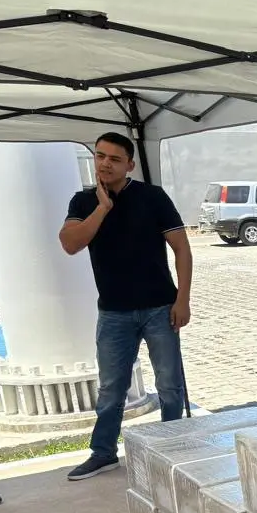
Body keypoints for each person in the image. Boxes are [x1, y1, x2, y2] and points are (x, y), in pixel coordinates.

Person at [59, 132, 193, 482]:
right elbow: (71, 243)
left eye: (114, 159)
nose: (104, 163)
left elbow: (182, 248)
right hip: (114, 311)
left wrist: (183, 299)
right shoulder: (83, 201)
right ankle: (103, 453)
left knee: (169, 383)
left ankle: (172, 445)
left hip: (159, 307)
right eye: (100, 156)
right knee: (111, 387)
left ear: (130, 164)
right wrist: (102, 208)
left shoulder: (152, 197)